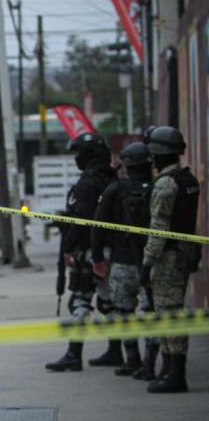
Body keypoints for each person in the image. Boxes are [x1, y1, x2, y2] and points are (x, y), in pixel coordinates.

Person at [46, 133, 118, 372]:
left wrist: (68, 248)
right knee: (109, 301)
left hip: (88, 251)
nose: (77, 158)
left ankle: (73, 354)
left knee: (80, 300)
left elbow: (81, 221)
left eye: (79, 153)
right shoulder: (111, 178)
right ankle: (116, 350)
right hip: (110, 250)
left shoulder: (87, 184)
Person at [140, 126, 200, 394]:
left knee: (169, 313)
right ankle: (168, 369)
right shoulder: (188, 179)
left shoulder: (166, 183)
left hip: (168, 256)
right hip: (184, 252)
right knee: (167, 310)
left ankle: (176, 374)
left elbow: (159, 227)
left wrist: (147, 261)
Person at [90, 142, 157, 377]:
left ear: (126, 165)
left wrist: (97, 258)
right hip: (154, 263)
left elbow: (97, 226)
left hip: (122, 263)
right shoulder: (158, 188)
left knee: (123, 312)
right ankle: (150, 363)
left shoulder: (115, 190)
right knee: (151, 313)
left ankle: (132, 360)